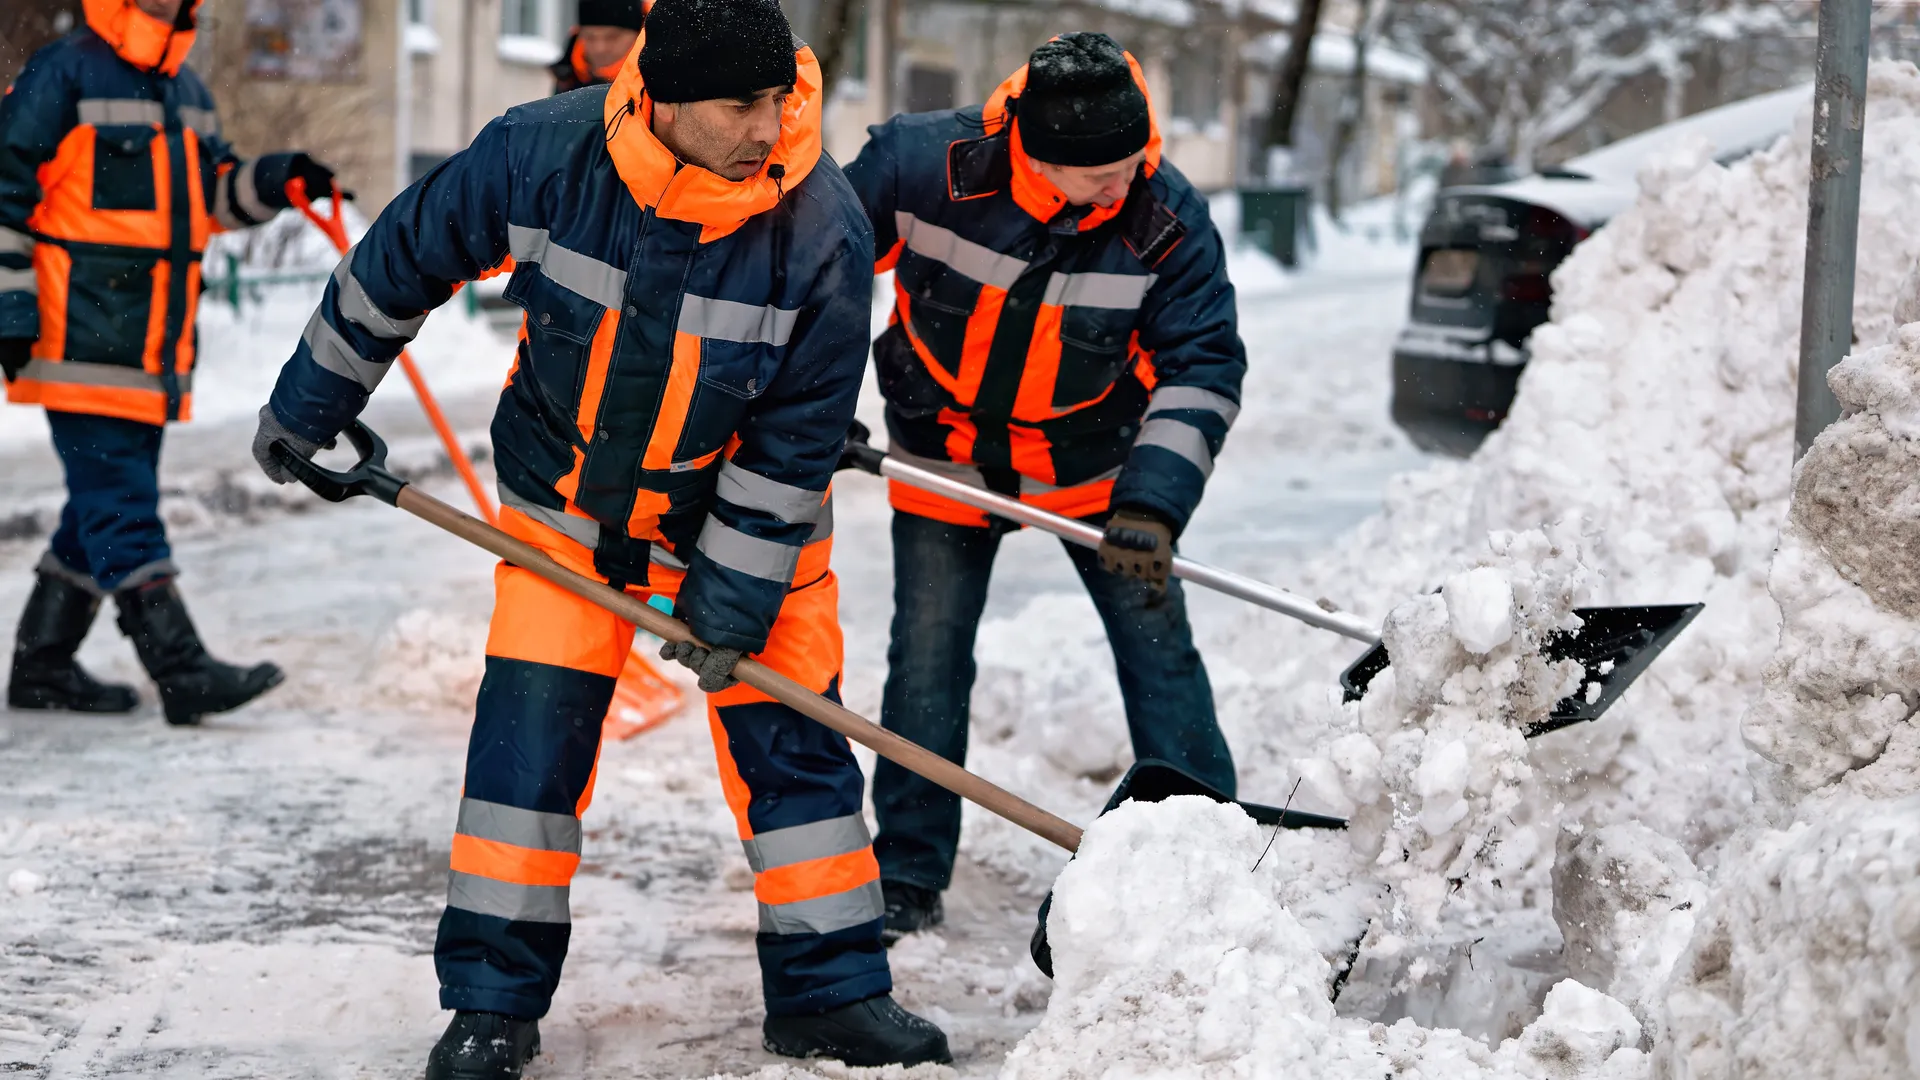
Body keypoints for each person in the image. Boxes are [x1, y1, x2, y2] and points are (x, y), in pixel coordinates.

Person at [250, 0, 949, 1074]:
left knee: (796, 757)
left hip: (750, 528)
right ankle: (492, 1005)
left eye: (779, 99)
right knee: (525, 757)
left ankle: (830, 990)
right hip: (568, 521)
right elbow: (401, 260)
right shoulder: (544, 157)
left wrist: (729, 597)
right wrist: (308, 401)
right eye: (740, 106)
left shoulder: (825, 227)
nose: (771, 127)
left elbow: (798, 435)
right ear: (665, 98)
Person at [843, 32, 1247, 941]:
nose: (1122, 186)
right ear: (1035, 153)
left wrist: (1152, 504)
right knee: (928, 658)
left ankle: (1208, 852)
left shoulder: (1162, 217)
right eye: (1099, 176)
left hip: (1097, 469)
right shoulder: (925, 166)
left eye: (1132, 165)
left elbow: (1202, 366)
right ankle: (908, 872)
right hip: (943, 454)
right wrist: (816, 405)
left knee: (1158, 648)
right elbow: (813, 272)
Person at [0, 0, 343, 725]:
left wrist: (279, 178)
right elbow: (5, 192)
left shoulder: (185, 88)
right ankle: (180, 668)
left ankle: (43, 664)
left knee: (100, 504)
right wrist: (9, 304)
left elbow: (211, 195)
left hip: (151, 345)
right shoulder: (65, 73)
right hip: (78, 337)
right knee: (122, 503)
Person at [549, 0, 648, 95]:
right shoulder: (566, 77)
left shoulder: (657, 87)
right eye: (590, 37)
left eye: (612, 37)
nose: (599, 48)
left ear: (639, 34)